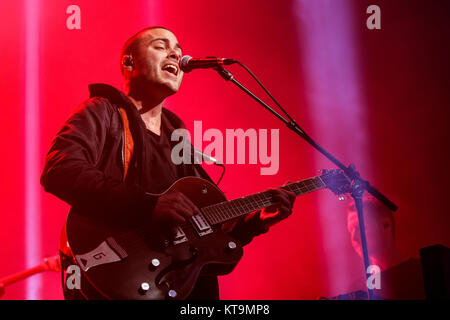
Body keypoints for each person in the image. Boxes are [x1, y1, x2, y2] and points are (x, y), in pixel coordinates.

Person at [40, 26, 296, 300]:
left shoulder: (176, 133)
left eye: (179, 50)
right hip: (117, 272)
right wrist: (148, 206)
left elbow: (207, 221)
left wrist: (255, 221)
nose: (175, 53)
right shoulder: (102, 111)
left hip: (178, 283)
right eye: (162, 46)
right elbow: (60, 169)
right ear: (129, 62)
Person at [345, 197, 425, 299]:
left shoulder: (422, 273)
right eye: (350, 231)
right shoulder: (355, 289)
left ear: (386, 225)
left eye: (360, 227)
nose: (354, 238)